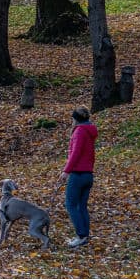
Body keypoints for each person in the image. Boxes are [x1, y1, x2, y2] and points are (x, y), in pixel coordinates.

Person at [60, 106, 97, 248]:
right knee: (81, 206)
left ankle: (81, 235)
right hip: (88, 174)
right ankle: (84, 235)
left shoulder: (80, 132)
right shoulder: (89, 131)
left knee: (70, 204)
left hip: (78, 174)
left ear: (75, 119)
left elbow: (75, 153)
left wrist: (66, 171)